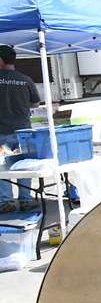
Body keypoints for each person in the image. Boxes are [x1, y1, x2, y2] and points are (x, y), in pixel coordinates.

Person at [0, 45, 41, 214]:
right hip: (23, 132)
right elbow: (36, 103)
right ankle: (25, 199)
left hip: (1, 132)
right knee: (24, 166)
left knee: (2, 167)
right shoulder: (26, 80)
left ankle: (6, 201)